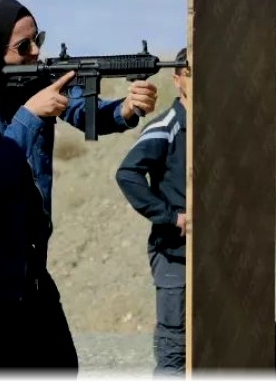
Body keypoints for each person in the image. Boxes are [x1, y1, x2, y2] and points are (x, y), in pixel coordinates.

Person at [0, 0, 158, 376]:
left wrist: (126, 108)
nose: (37, 51)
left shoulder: (31, 79)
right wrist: (28, 115)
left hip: (27, 265)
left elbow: (82, 109)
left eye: (39, 38)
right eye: (24, 46)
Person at [115, 47, 189, 376]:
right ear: (177, 80)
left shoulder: (220, 129)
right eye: (192, 72)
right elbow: (128, 173)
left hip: (212, 258)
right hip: (173, 253)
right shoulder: (168, 125)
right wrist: (171, 217)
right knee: (174, 347)